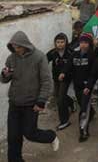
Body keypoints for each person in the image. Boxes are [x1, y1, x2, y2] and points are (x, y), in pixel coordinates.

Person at [1, 31, 59, 162]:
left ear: (25, 45)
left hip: (31, 103)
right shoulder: (11, 58)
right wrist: (5, 75)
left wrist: (41, 101)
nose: (16, 50)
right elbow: (5, 79)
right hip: (14, 102)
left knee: (30, 133)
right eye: (14, 47)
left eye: (19, 47)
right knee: (13, 137)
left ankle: (51, 136)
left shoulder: (39, 57)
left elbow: (46, 81)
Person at [46, 33, 75, 130]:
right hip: (56, 78)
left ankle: (64, 121)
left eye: (62, 42)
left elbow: (73, 65)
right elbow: (44, 61)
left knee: (60, 100)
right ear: (55, 43)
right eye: (58, 42)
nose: (60, 44)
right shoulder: (52, 53)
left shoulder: (70, 52)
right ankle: (71, 103)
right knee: (58, 95)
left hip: (66, 78)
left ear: (66, 42)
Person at [71, 33, 96, 142]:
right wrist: (63, 73)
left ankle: (83, 131)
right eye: (81, 42)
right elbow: (69, 67)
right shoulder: (74, 54)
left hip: (87, 87)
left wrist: (89, 86)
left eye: (86, 42)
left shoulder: (92, 56)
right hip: (77, 86)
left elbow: (93, 73)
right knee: (82, 104)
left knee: (83, 110)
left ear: (89, 44)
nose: (83, 45)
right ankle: (92, 112)